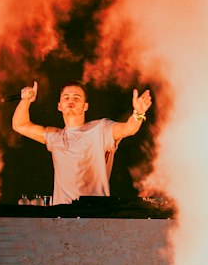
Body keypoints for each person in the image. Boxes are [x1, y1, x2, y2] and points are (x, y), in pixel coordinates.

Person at [11, 80, 152, 205]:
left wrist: (138, 113)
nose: (70, 100)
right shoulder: (55, 137)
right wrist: (26, 101)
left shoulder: (100, 129)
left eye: (76, 98)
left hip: (95, 214)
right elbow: (20, 125)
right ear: (59, 106)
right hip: (61, 215)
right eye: (66, 98)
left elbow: (128, 128)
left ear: (85, 106)